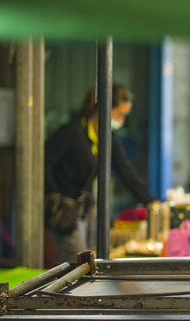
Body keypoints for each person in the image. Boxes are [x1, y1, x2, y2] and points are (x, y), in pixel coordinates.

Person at [44, 83, 156, 263]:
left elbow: (125, 171)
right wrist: (55, 195)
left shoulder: (107, 137)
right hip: (63, 212)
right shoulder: (72, 132)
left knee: (74, 261)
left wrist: (151, 201)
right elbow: (44, 161)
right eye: (119, 115)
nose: (121, 120)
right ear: (104, 109)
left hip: (79, 211)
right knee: (78, 263)